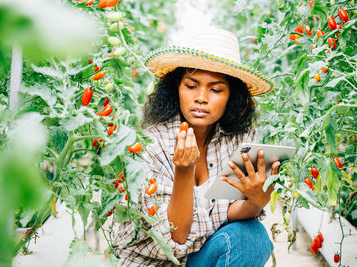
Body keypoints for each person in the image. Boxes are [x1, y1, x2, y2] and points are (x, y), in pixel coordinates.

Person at [112, 26, 280, 266]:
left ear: (231, 96)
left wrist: (257, 199)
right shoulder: (151, 146)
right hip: (153, 262)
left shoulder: (237, 140)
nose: (201, 97)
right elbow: (176, 236)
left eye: (215, 89)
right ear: (176, 89)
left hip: (200, 256)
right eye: (191, 86)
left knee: (252, 237)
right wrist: (183, 170)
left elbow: (229, 212)